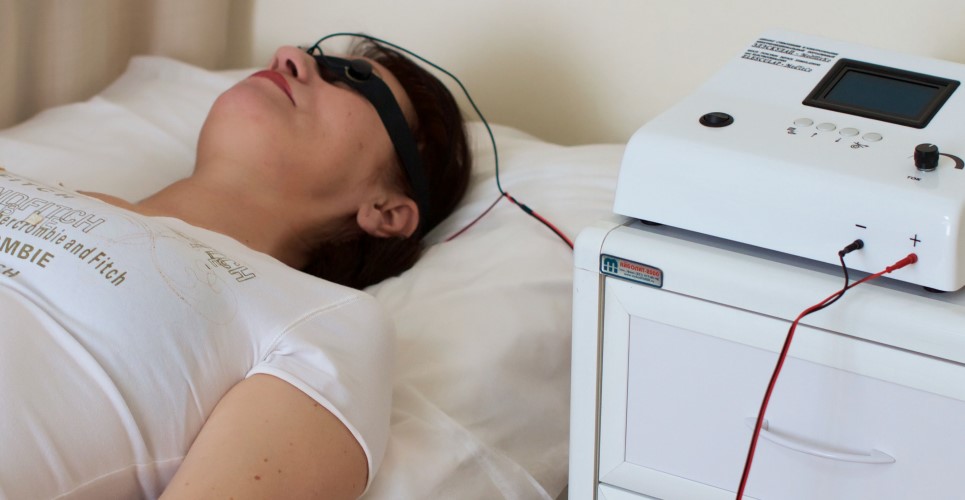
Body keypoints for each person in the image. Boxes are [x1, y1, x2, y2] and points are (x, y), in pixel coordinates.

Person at [0, 37, 471, 500]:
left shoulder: (328, 321)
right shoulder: (24, 184)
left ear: (386, 211)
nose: (290, 56)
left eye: (355, 78)